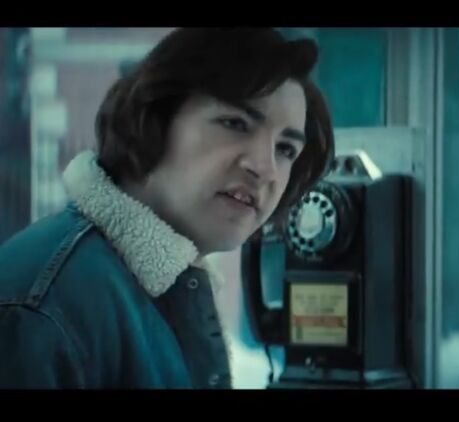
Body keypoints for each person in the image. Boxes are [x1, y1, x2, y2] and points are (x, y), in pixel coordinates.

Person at [0, 28, 335, 388]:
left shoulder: (167, 285)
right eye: (235, 124)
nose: (265, 168)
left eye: (285, 149)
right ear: (155, 117)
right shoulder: (45, 311)